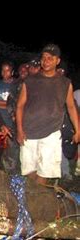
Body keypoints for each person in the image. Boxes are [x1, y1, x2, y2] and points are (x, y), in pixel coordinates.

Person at [16, 44, 79, 184]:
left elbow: (71, 107)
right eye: (44, 58)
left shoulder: (65, 83)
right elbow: (20, 106)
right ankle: (32, 196)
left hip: (51, 133)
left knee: (44, 171)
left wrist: (78, 129)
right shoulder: (31, 80)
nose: (46, 61)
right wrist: (19, 130)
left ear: (57, 61)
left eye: (50, 58)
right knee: (29, 170)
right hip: (29, 132)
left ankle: (38, 200)